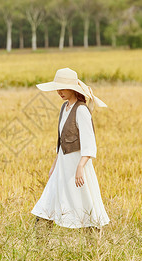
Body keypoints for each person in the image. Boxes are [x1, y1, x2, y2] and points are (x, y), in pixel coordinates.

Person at [31, 67, 110, 237]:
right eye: (57, 88)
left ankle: (94, 245)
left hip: (77, 167)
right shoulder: (64, 108)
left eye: (62, 88)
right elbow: (61, 142)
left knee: (85, 203)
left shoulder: (81, 110)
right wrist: (54, 165)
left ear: (73, 89)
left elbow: (89, 144)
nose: (59, 92)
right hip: (62, 165)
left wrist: (81, 167)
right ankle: (39, 246)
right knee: (46, 203)